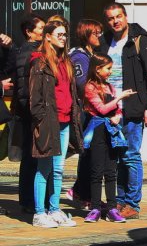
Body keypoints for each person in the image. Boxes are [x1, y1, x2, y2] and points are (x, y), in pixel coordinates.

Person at [96, 3, 147, 219]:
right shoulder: (104, 43)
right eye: (111, 18)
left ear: (126, 17)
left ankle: (133, 204)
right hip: (111, 108)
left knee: (131, 155)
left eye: (119, 16)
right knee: (117, 156)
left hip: (134, 107)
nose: (115, 21)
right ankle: (119, 202)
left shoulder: (139, 41)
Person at [29, 20, 82, 228]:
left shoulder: (66, 61)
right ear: (48, 37)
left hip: (65, 121)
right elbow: (35, 98)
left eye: (64, 34)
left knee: (58, 169)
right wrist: (40, 121)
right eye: (59, 34)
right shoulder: (39, 62)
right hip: (48, 121)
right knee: (44, 168)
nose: (63, 38)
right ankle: (39, 213)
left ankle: (54, 209)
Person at [83, 54, 135, 223]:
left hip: (111, 131)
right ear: (97, 69)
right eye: (108, 68)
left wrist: (118, 116)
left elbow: (116, 109)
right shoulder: (90, 87)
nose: (110, 72)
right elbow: (102, 109)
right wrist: (119, 98)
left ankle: (112, 207)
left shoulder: (110, 87)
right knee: (97, 171)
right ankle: (95, 208)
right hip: (97, 130)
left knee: (111, 171)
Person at [66, 19, 104, 208]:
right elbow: (81, 83)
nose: (99, 36)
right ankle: (81, 193)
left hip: (91, 109)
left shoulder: (91, 54)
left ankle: (80, 191)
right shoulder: (80, 56)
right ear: (86, 35)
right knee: (87, 152)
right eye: (96, 33)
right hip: (83, 109)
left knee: (89, 153)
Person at [12, 14, 44, 213]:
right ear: (29, 32)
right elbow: (24, 87)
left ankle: (28, 200)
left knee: (31, 157)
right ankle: (28, 200)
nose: (43, 31)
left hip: (29, 112)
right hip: (29, 114)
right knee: (31, 157)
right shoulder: (28, 52)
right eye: (40, 28)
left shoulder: (33, 50)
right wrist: (32, 111)